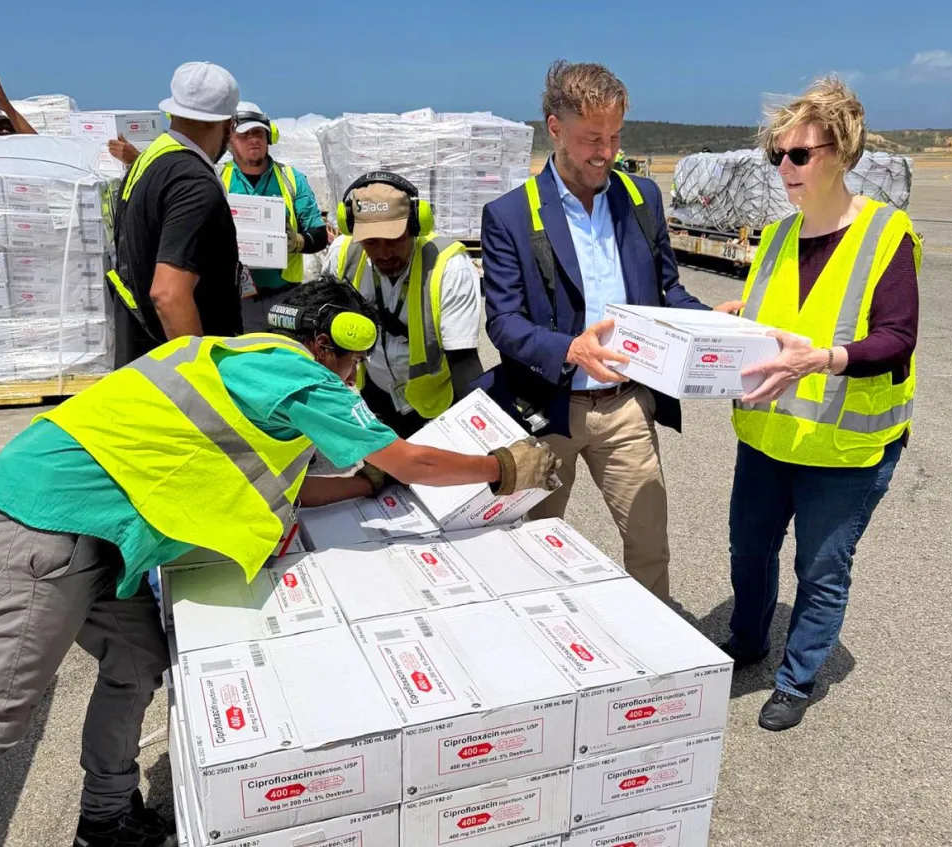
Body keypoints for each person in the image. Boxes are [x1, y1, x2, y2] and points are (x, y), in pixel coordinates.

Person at [0, 275, 560, 847]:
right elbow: (413, 461)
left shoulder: (241, 360)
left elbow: (288, 490)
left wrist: (364, 484)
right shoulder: (299, 374)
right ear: (328, 344)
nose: (353, 377)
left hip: (98, 533)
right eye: (354, 362)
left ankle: (105, 819)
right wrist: (500, 468)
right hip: (46, 523)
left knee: (138, 663)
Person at [479, 60, 741, 601]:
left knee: (649, 547)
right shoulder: (510, 215)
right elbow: (503, 322)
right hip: (549, 410)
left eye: (616, 136)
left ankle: (655, 641)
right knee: (535, 547)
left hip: (625, 407)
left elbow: (667, 292)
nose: (607, 152)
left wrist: (709, 323)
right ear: (555, 129)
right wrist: (568, 349)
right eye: (592, 139)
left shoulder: (642, 199)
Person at [723, 76, 919, 731]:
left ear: (841, 153)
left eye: (799, 154)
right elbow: (774, 319)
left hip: (843, 448)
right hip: (767, 435)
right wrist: (734, 319)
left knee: (821, 567)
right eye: (777, 154)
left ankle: (796, 678)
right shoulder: (777, 235)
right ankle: (747, 639)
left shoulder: (886, 233)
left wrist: (825, 358)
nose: (784, 167)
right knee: (749, 550)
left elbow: (896, 337)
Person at [107, 61, 243, 368]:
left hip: (142, 362)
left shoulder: (150, 162)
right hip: (173, 376)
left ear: (173, 113)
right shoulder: (194, 183)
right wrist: (200, 378)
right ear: (228, 125)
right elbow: (169, 294)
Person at [327, 171, 483, 438]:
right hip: (375, 394)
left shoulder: (449, 267)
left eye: (394, 240)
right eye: (371, 242)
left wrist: (478, 433)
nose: (383, 253)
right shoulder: (343, 255)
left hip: (436, 405)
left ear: (415, 226)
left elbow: (464, 363)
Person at [220, 103, 328, 331]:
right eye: (244, 135)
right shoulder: (218, 180)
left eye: (258, 133)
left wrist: (299, 241)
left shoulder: (292, 179)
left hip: (286, 295)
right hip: (236, 298)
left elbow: (319, 233)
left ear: (270, 137)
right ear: (230, 141)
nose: (253, 139)